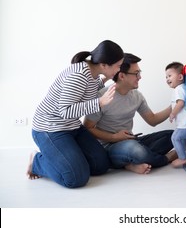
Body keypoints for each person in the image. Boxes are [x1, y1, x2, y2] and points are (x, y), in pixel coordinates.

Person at [27, 40, 124, 188]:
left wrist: (106, 79)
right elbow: (65, 111)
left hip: (72, 126)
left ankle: (70, 159)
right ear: (104, 65)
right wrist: (100, 102)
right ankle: (37, 161)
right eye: (117, 66)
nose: (119, 69)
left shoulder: (93, 72)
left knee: (101, 165)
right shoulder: (78, 75)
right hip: (50, 128)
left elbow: (87, 90)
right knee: (75, 179)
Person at [83, 53, 177, 175]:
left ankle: (129, 163)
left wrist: (174, 105)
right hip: (109, 146)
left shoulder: (137, 96)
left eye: (140, 72)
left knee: (174, 136)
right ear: (122, 76)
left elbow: (152, 120)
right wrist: (115, 137)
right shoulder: (103, 97)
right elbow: (87, 128)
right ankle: (165, 159)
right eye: (136, 73)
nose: (140, 77)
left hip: (131, 140)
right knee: (136, 150)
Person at [165, 62, 186, 168]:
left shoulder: (178, 89)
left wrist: (173, 113)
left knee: (175, 138)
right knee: (185, 142)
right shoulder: (183, 87)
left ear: (180, 76)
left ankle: (182, 158)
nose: (167, 79)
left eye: (170, 76)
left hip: (184, 124)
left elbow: (180, 103)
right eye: (166, 77)